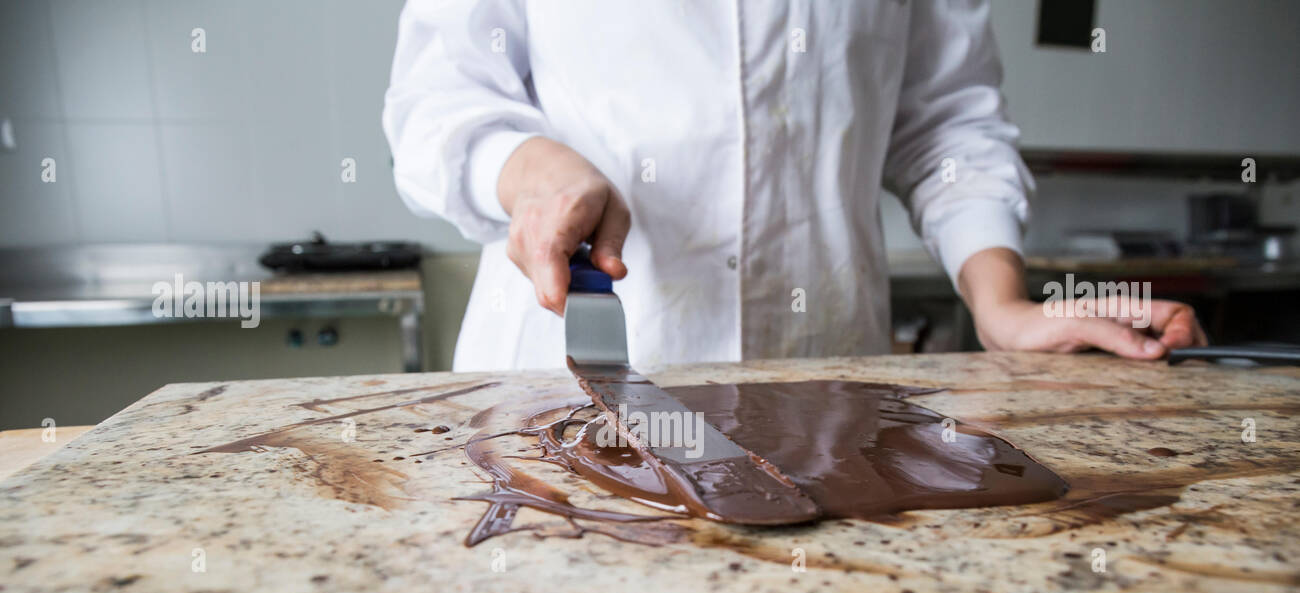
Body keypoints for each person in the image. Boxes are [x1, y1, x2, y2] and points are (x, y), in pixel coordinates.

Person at [383, 0, 1206, 372]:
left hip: (827, 385)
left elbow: (948, 121)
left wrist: (1001, 303)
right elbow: (440, 97)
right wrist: (540, 173)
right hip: (563, 376)